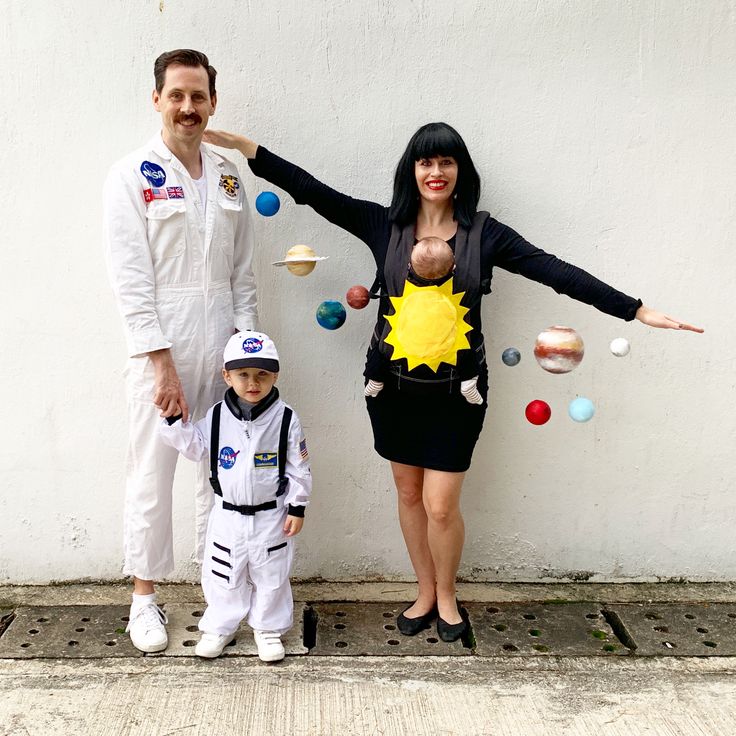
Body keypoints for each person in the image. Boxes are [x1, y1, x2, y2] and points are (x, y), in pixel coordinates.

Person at [202, 122, 702, 643]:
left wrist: (635, 309)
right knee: (409, 493)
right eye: (425, 162)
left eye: (445, 162)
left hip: (457, 395)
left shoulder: (485, 235)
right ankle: (424, 590)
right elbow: (314, 193)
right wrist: (248, 150)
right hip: (390, 390)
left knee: (442, 504)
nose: (435, 172)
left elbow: (555, 270)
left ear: (460, 171)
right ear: (411, 171)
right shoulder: (384, 225)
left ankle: (446, 592)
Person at [103, 49, 258, 653]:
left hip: (223, 344)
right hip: (162, 347)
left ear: (212, 102)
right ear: (157, 100)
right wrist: (158, 361)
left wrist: (245, 353)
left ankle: (217, 590)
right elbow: (130, 280)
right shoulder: (132, 174)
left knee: (221, 473)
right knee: (153, 470)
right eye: (177, 96)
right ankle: (144, 598)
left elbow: (243, 275)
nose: (188, 108)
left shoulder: (227, 175)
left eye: (199, 97)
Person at [159, 331, 311, 661]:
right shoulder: (216, 417)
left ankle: (268, 629)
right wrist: (173, 420)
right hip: (226, 515)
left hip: (271, 515)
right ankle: (220, 627)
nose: (252, 383)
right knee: (222, 572)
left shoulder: (285, 418)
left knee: (271, 574)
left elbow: (298, 467)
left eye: (262, 375)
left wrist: (297, 507)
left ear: (275, 375)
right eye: (243, 375)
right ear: (227, 376)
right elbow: (195, 447)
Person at [364, 236, 484, 405]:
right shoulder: (455, 285)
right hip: (444, 344)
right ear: (453, 268)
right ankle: (468, 382)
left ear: (409, 267)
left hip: (410, 339)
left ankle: (375, 379)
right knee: (464, 350)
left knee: (384, 348)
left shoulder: (405, 283)